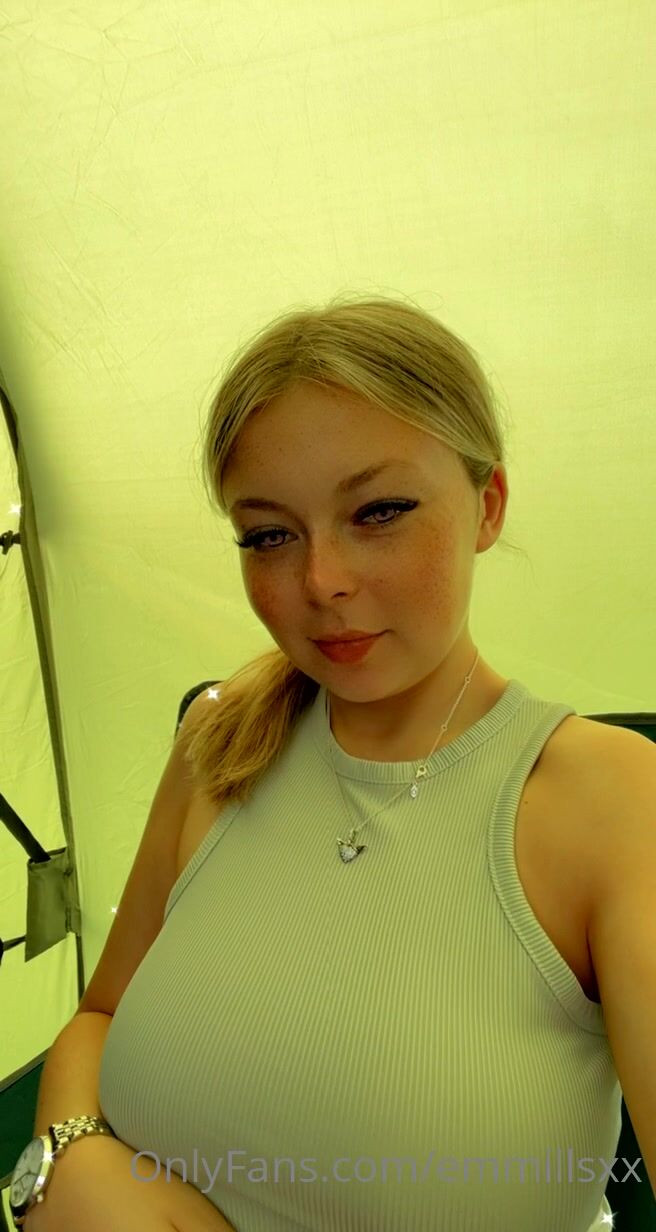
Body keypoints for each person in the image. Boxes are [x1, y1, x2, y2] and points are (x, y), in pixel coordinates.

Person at [13, 297, 620, 1231]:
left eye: (379, 512)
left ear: (488, 504)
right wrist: (68, 1160)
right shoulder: (220, 744)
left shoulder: (611, 803)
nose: (322, 581)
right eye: (269, 534)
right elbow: (98, 1019)